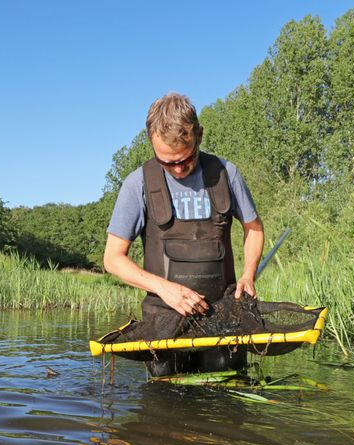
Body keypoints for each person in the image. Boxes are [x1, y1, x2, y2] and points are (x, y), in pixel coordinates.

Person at [103, 92, 265, 376]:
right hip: (163, 321)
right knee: (166, 406)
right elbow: (113, 259)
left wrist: (248, 274)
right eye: (167, 162)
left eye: (186, 159)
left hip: (223, 317)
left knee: (225, 398)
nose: (178, 168)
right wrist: (166, 289)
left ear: (199, 135)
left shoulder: (227, 173)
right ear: (152, 143)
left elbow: (254, 229)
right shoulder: (137, 184)